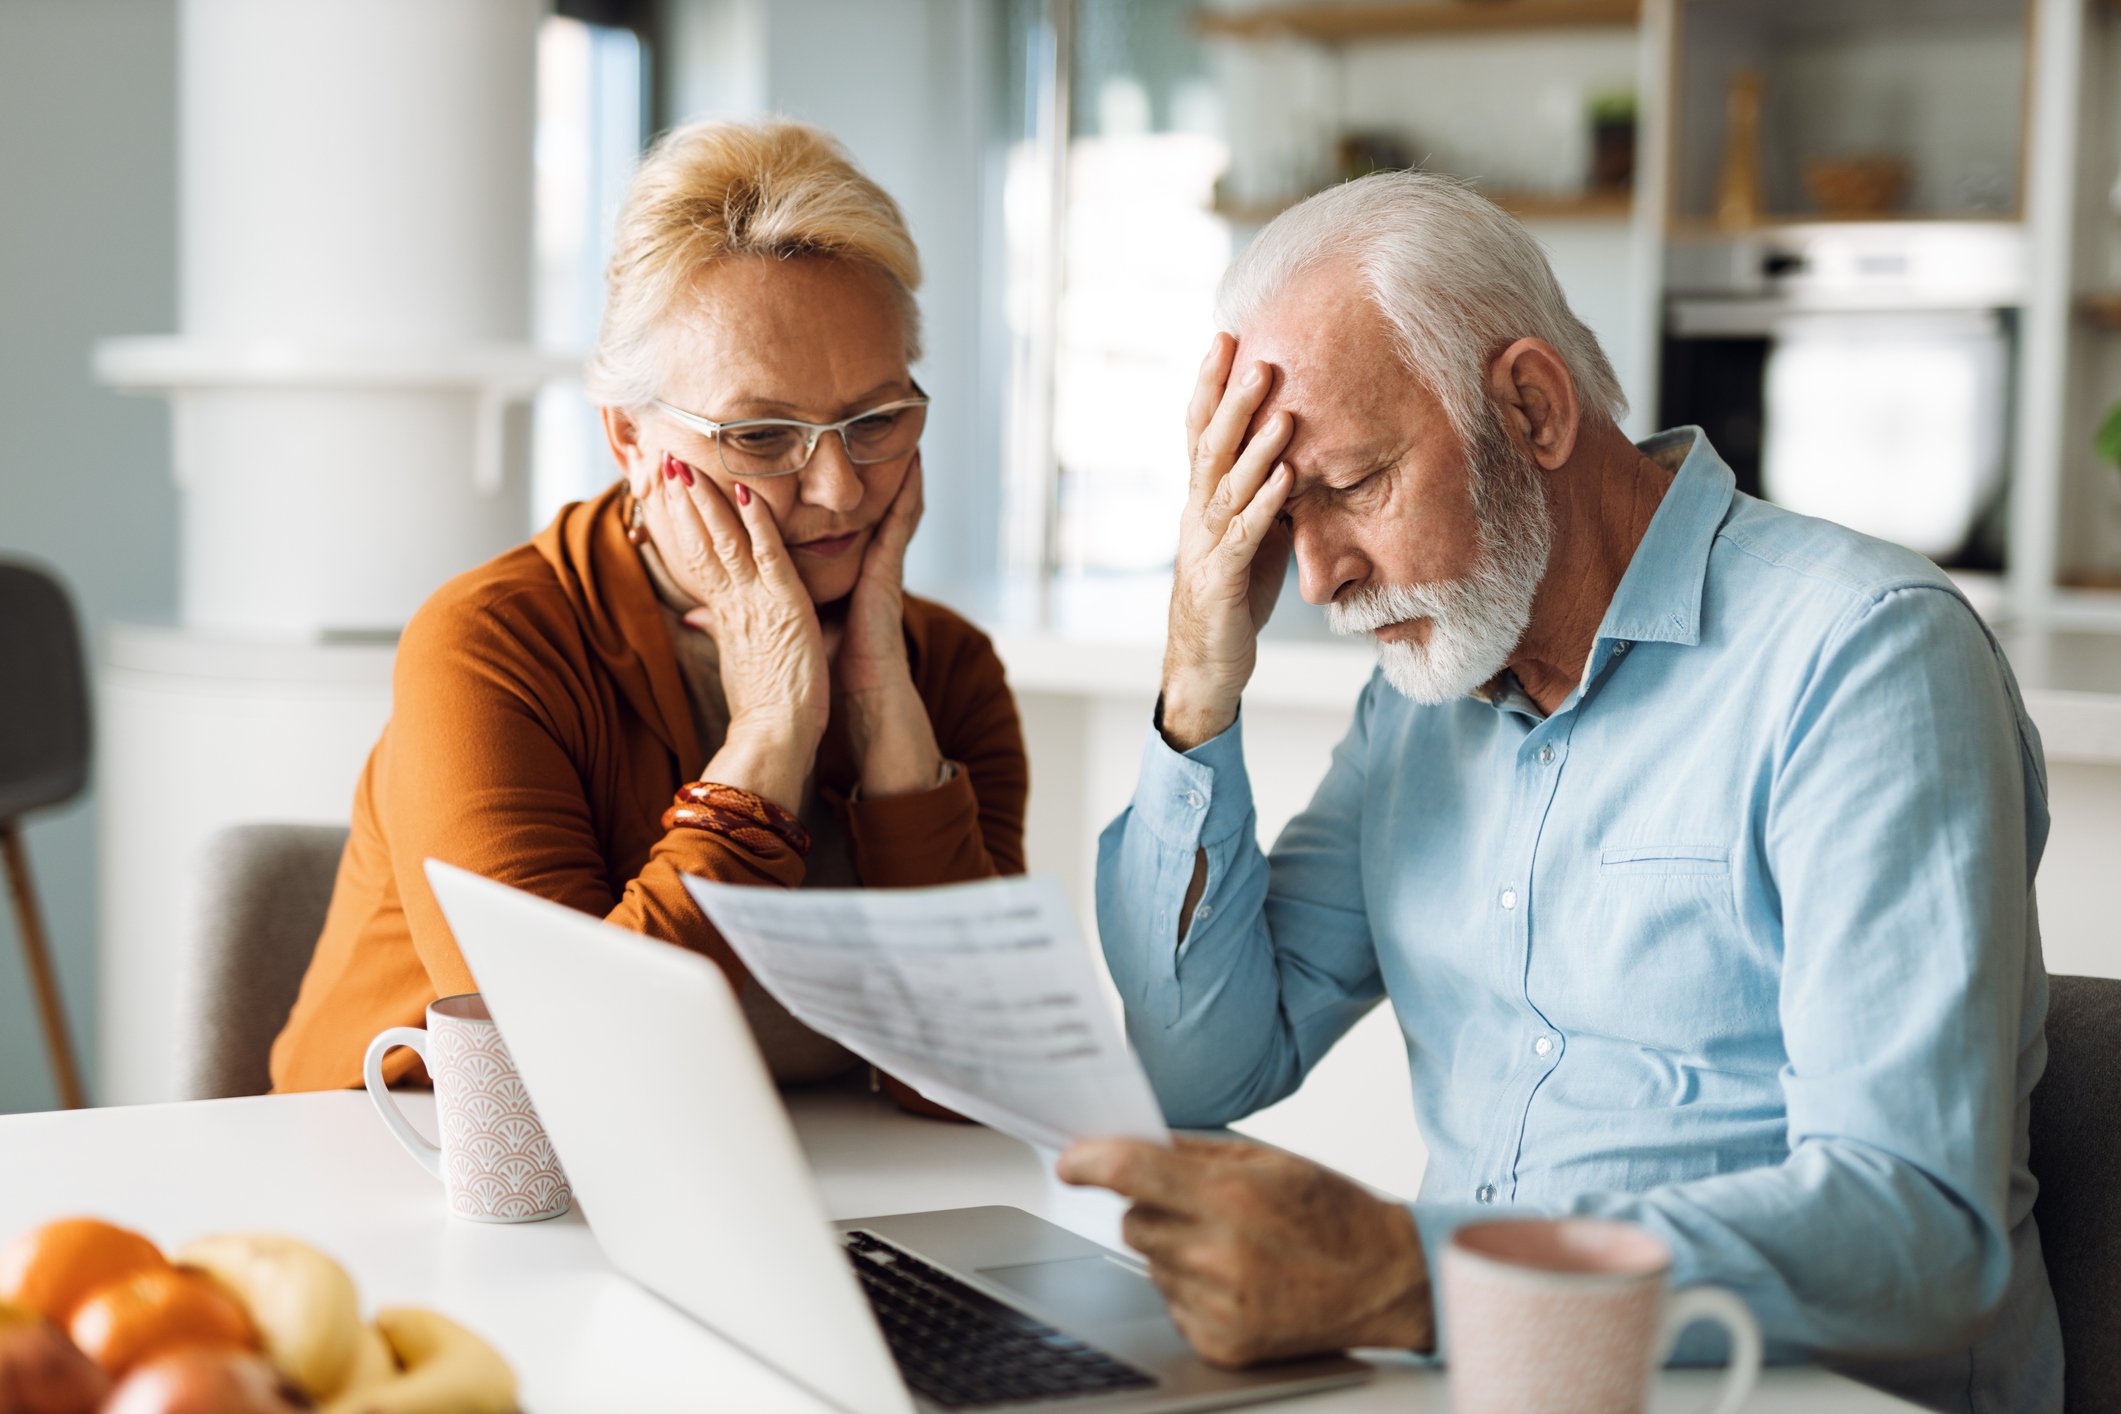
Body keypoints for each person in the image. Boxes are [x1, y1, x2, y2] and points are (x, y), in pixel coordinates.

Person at [1056, 172, 2058, 1414]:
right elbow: (1200, 1072)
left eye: (1355, 485)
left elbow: (1919, 1225)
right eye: (1276, 512)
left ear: (1531, 405)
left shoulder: (1862, 658)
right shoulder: (1425, 696)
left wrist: (1406, 1279)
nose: (1315, 582)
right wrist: (1197, 677)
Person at [271, 119, 1026, 1098]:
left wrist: (883, 712)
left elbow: (979, 1080)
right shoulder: (492, 646)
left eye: (875, 420)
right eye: (761, 434)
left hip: (794, 1191)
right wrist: (772, 729)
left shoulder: (947, 669)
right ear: (627, 436)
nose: (839, 487)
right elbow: (566, 1072)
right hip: (428, 1190)